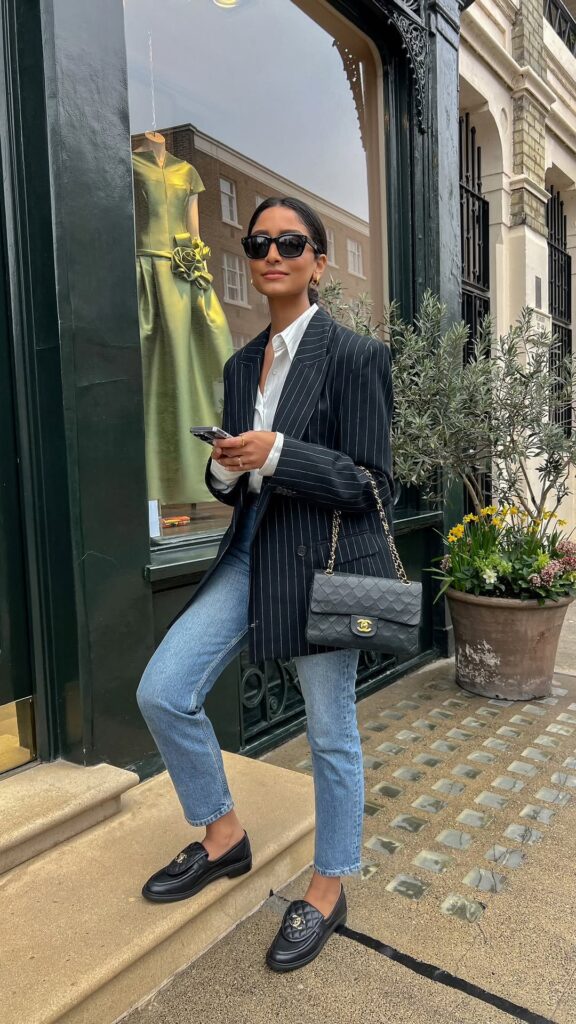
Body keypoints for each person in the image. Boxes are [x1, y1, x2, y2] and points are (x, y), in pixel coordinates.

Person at [136, 196, 395, 973]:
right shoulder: (237, 365)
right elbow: (233, 486)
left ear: (317, 261)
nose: (271, 254)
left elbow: (370, 482)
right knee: (163, 689)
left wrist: (280, 451)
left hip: (324, 565)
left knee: (330, 732)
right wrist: (225, 466)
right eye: (258, 243)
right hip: (249, 553)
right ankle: (223, 835)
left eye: (290, 243)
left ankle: (327, 885)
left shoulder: (355, 358)